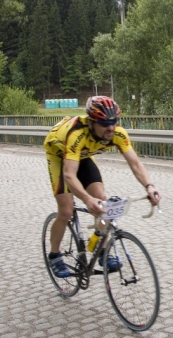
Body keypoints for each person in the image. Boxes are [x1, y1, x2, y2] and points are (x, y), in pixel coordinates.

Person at [43, 96, 162, 278]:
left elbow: (136, 164)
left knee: (103, 203)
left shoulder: (117, 133)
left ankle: (101, 250)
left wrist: (149, 186)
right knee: (66, 210)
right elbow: (69, 175)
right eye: (104, 123)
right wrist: (87, 199)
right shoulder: (77, 134)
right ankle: (54, 255)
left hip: (82, 156)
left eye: (114, 122)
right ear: (91, 122)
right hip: (59, 156)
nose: (111, 127)